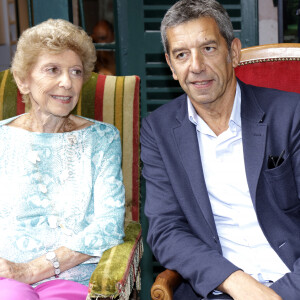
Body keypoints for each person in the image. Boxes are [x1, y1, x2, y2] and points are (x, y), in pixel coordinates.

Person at [140, 0, 300, 299]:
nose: (196, 66)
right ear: (171, 66)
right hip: (218, 289)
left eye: (209, 48)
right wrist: (237, 283)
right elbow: (166, 231)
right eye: (182, 54)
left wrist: (280, 294)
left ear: (234, 52)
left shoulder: (291, 114)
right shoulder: (158, 131)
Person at [0, 18, 125, 299]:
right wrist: (15, 273)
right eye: (52, 70)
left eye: (76, 72)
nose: (67, 83)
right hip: (5, 279)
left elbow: (109, 226)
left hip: (73, 279)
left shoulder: (103, 139)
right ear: (23, 80)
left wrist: (32, 270)